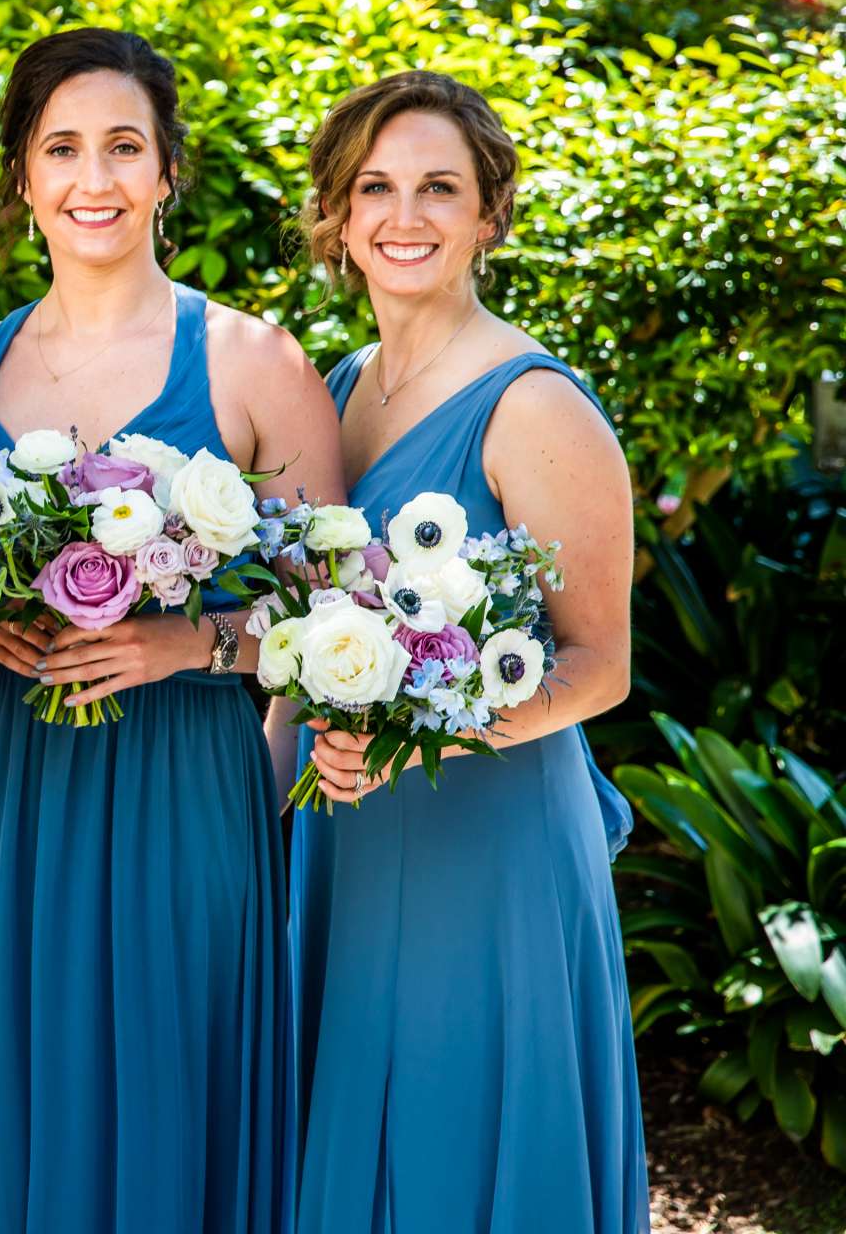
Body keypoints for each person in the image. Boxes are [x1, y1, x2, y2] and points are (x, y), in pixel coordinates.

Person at [0, 26, 344, 1233]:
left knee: (179, 1091)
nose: (93, 180)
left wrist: (192, 645)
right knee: (19, 1085)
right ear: (20, 176)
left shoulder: (256, 362)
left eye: (124, 146)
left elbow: (336, 615)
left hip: (188, 788)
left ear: (170, 170)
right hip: (7, 784)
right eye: (61, 148)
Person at [287, 69, 647, 1233]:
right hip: (347, 825)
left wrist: (422, 736)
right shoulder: (337, 391)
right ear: (339, 214)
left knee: (471, 1124)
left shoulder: (533, 403)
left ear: (489, 212)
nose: (406, 215)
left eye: (440, 187)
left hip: (487, 838)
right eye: (376, 186)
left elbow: (598, 663)